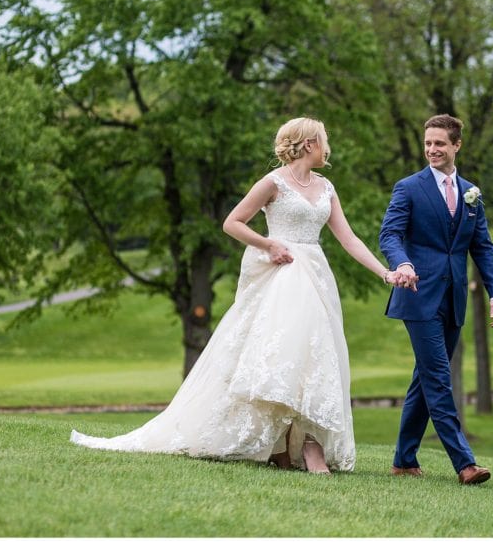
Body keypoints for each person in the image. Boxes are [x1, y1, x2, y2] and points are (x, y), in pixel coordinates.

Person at [71, 117, 409, 474]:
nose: (328, 148)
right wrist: (268, 244)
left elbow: (349, 238)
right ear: (309, 144)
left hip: (316, 275)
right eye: (324, 141)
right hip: (282, 274)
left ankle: (310, 445)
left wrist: (386, 273)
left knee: (316, 354)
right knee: (280, 355)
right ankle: (282, 446)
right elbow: (233, 222)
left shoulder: (326, 187)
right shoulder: (273, 183)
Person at [379, 114, 493, 485]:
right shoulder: (408, 188)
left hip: (454, 299)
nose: (432, 150)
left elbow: (482, 247)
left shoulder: (471, 193)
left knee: (425, 379)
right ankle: (465, 463)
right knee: (438, 377)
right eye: (428, 143)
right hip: (417, 297)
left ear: (456, 146)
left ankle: (404, 460)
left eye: (439, 144)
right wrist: (401, 262)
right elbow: (390, 234)